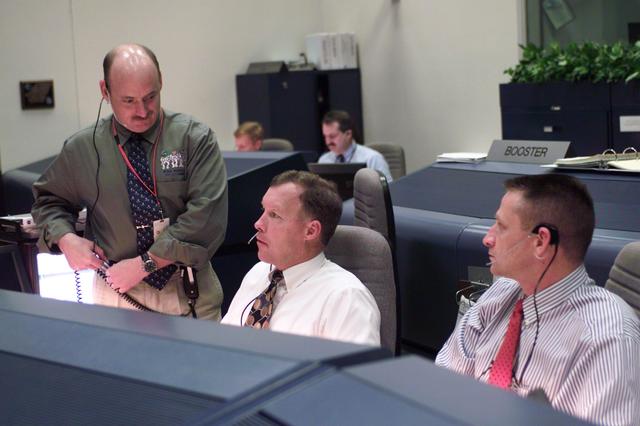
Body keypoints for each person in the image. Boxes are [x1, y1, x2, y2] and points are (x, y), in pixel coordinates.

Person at [32, 43, 228, 320]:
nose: (142, 111)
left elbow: (206, 216)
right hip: (116, 291)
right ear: (105, 91)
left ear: (161, 81)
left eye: (151, 97)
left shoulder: (194, 139)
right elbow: (48, 202)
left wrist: (146, 264)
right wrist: (66, 239)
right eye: (128, 101)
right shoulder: (83, 148)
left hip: (186, 287)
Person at [435, 174, 640, 425]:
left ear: (541, 241)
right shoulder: (499, 295)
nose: (487, 238)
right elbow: (442, 389)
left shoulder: (607, 337)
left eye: (501, 226)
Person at [222, 170, 380, 345]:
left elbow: (356, 372)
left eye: (274, 215)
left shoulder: (345, 298)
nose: (258, 224)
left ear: (311, 231)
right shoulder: (258, 273)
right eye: (263, 210)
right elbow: (222, 346)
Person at [319, 110, 393, 182]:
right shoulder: (323, 161)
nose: (327, 141)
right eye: (325, 136)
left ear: (348, 134)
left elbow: (388, 190)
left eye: (332, 136)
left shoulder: (372, 159)